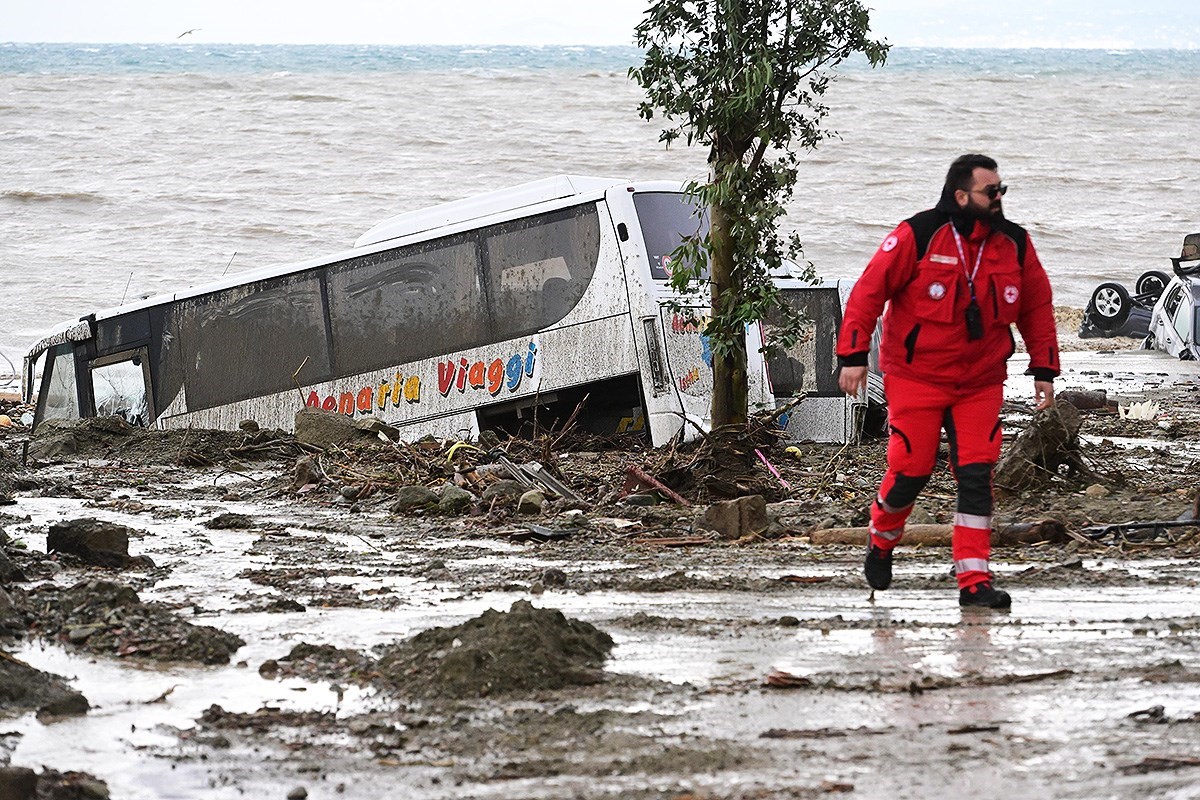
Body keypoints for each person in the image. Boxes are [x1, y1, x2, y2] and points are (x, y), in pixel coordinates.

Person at [836, 153, 1060, 609]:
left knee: (976, 477)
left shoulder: (1014, 243)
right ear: (962, 196)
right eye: (990, 191)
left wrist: (1044, 369)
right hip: (916, 377)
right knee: (909, 472)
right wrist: (853, 356)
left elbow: (1037, 306)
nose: (998, 198)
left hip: (979, 381)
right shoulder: (917, 234)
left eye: (1002, 190)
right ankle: (881, 540)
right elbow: (868, 292)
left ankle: (974, 582)